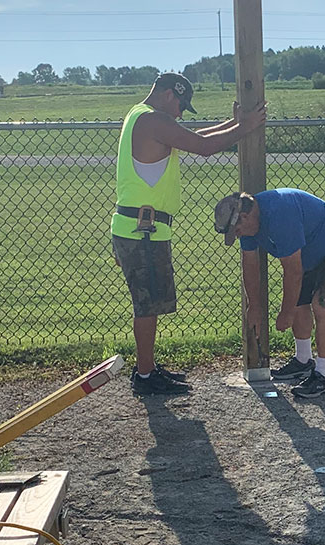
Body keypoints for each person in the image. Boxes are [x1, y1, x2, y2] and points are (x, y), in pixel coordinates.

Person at [113, 73, 265, 396]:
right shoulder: (153, 120)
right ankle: (143, 375)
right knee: (146, 305)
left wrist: (232, 124)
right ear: (169, 94)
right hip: (142, 231)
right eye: (181, 105)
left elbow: (195, 136)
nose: (181, 113)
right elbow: (204, 147)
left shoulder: (141, 117)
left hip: (142, 228)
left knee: (150, 302)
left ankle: (148, 368)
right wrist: (245, 127)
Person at [214, 188, 325, 399]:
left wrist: (286, 313)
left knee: (321, 305)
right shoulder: (250, 225)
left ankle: (324, 376)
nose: (237, 235)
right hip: (309, 251)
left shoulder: (280, 214)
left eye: (236, 230)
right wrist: (254, 305)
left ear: (244, 216)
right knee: (299, 302)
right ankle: (303, 361)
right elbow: (250, 264)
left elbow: (293, 272)